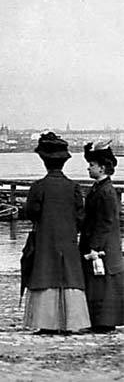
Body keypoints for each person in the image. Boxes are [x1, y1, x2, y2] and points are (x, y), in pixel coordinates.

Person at [22, 132, 89, 335]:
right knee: (69, 276)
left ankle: (47, 323)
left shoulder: (38, 187)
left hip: (45, 238)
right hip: (68, 239)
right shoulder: (74, 187)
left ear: (44, 162)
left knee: (44, 273)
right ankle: (71, 322)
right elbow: (80, 217)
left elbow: (31, 212)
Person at [80, 141, 124, 333]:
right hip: (103, 243)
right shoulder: (102, 187)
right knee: (100, 283)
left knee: (103, 284)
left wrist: (95, 246)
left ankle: (104, 322)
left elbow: (106, 222)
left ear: (102, 167)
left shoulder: (105, 191)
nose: (89, 167)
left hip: (103, 245)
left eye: (92, 165)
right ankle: (100, 321)